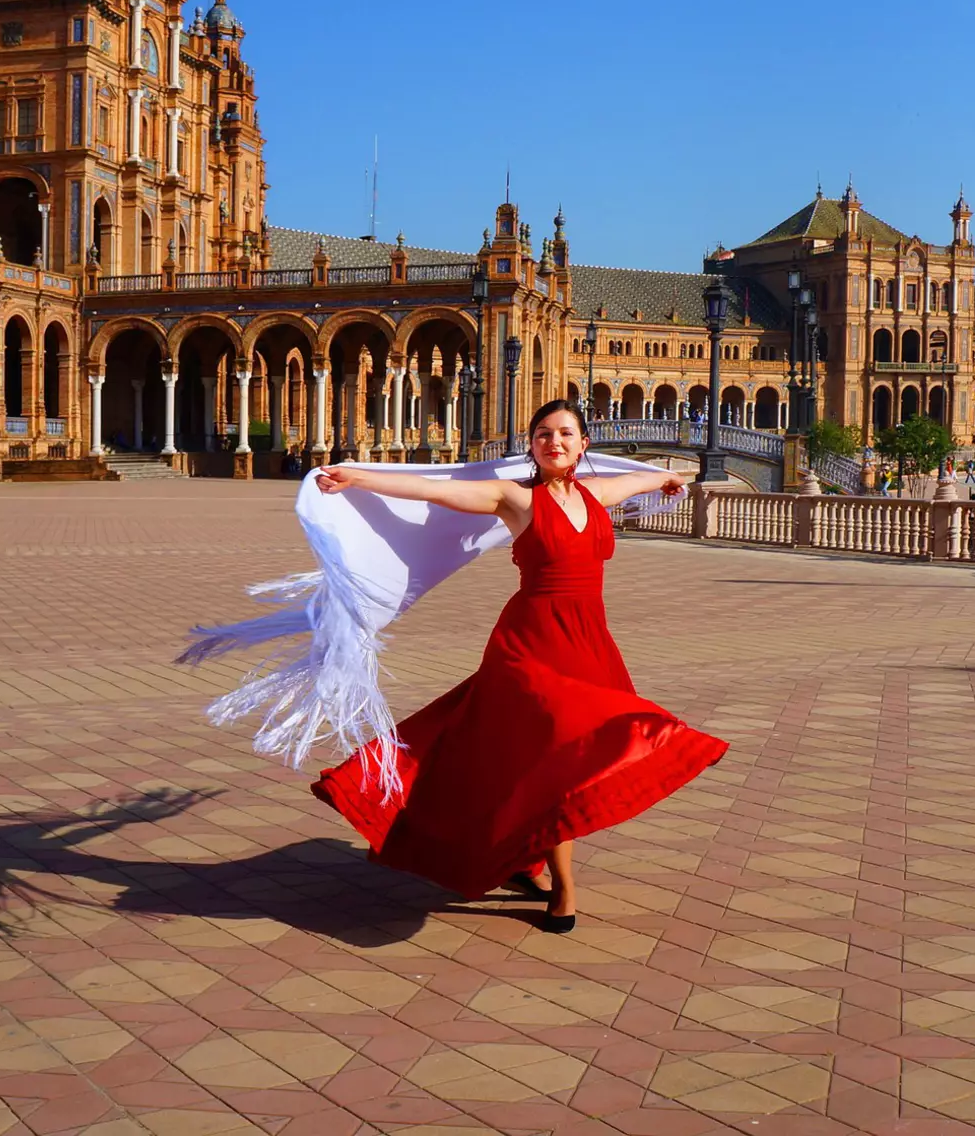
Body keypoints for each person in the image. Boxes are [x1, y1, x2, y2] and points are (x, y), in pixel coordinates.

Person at [306, 399, 726, 932]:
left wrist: (665, 479)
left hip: (589, 641)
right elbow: (439, 489)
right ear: (531, 445)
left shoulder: (597, 494)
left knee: (566, 759)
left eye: (566, 434)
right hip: (529, 644)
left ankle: (527, 858)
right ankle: (565, 890)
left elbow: (638, 483)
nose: (554, 442)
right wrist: (360, 478)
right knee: (554, 749)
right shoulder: (516, 499)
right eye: (543, 434)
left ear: (583, 444)